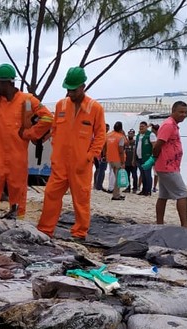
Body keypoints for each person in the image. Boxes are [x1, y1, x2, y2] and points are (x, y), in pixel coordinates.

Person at [36, 66, 106, 241]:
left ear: (83, 86)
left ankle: (79, 232)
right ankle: (45, 229)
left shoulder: (94, 108)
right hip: (60, 162)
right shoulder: (61, 105)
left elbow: (100, 135)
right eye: (68, 89)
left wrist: (90, 156)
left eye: (73, 90)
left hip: (81, 163)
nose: (70, 93)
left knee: (81, 199)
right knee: (51, 194)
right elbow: (55, 130)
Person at [0, 63, 53, 219]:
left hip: (17, 158)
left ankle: (17, 223)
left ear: (9, 83)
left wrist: (30, 133)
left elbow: (47, 118)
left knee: (18, 192)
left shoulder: (27, 100)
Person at [149, 101, 187, 227]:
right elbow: (158, 145)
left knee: (163, 195)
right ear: (173, 111)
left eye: (185, 112)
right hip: (167, 166)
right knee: (182, 194)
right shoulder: (168, 125)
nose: (183, 115)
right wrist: (154, 158)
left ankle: (159, 223)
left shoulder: (173, 125)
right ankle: (185, 225)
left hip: (170, 166)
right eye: (181, 112)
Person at [105, 121, 127, 200]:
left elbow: (105, 146)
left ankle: (117, 193)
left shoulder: (108, 135)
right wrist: (123, 162)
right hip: (117, 159)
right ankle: (116, 195)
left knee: (115, 176)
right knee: (118, 178)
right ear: (121, 128)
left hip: (110, 159)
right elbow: (121, 150)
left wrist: (105, 155)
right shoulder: (120, 137)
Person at [135, 121, 156, 196]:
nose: (141, 128)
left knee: (147, 175)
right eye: (140, 126)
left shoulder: (151, 135)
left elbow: (154, 146)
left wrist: (153, 157)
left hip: (147, 158)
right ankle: (144, 190)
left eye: (142, 126)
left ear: (146, 127)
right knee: (143, 175)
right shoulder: (138, 135)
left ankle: (148, 190)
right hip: (139, 158)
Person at [93, 123, 109, 192]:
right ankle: (98, 185)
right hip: (100, 155)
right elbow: (104, 146)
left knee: (98, 169)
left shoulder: (99, 134)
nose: (107, 129)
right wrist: (104, 155)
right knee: (100, 170)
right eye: (106, 128)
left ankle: (96, 184)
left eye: (108, 128)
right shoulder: (103, 135)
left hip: (97, 154)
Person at [124, 129, 138, 193]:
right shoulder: (126, 143)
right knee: (127, 176)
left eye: (131, 133)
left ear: (133, 134)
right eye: (129, 133)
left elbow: (136, 152)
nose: (130, 134)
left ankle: (135, 188)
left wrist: (134, 160)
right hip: (126, 162)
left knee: (134, 175)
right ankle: (128, 188)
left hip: (133, 162)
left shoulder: (135, 142)